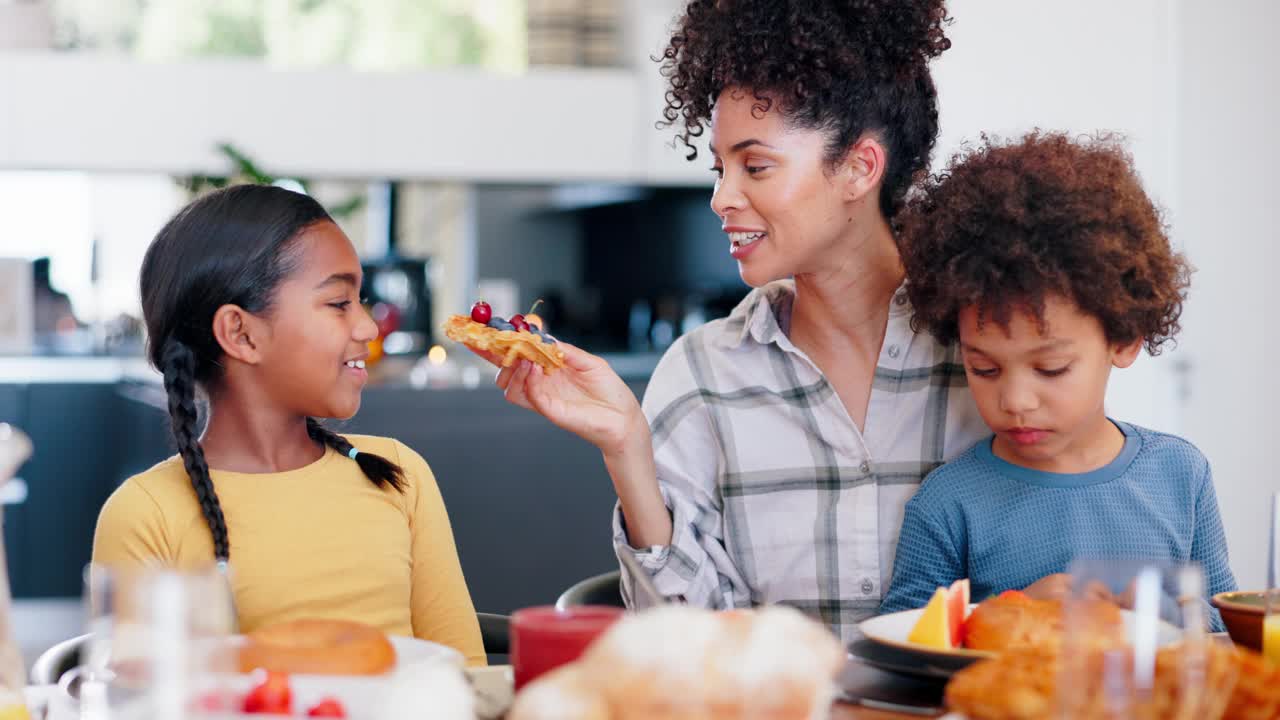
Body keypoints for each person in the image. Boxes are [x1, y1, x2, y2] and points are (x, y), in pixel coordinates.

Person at [491, 0, 987, 642]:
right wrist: (628, 450)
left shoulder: (986, 353)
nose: (722, 197)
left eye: (755, 166)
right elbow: (686, 645)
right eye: (720, 167)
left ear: (860, 168)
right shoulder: (702, 373)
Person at [93, 185, 485, 665]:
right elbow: (142, 703)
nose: (367, 327)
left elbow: (466, 677)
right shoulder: (145, 513)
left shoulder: (397, 473)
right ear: (242, 333)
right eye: (339, 303)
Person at [878, 133, 1237, 630]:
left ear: (1125, 339)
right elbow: (903, 643)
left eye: (1050, 369)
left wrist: (1165, 618)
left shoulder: (1180, 475)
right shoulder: (947, 502)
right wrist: (1007, 612)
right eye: (984, 369)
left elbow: (1226, 629)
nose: (1015, 401)